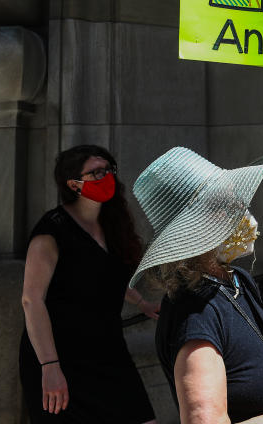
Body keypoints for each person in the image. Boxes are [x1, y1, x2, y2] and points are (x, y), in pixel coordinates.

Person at [129, 146, 263, 424]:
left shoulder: (236, 280)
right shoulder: (193, 315)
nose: (242, 211)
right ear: (198, 225)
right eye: (228, 204)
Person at [20, 144, 159, 423]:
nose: (105, 176)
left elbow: (104, 275)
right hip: (61, 358)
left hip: (108, 351)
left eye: (108, 169)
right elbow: (31, 300)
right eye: (95, 172)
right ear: (74, 184)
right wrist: (50, 366)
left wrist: (141, 303)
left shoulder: (112, 225)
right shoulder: (52, 231)